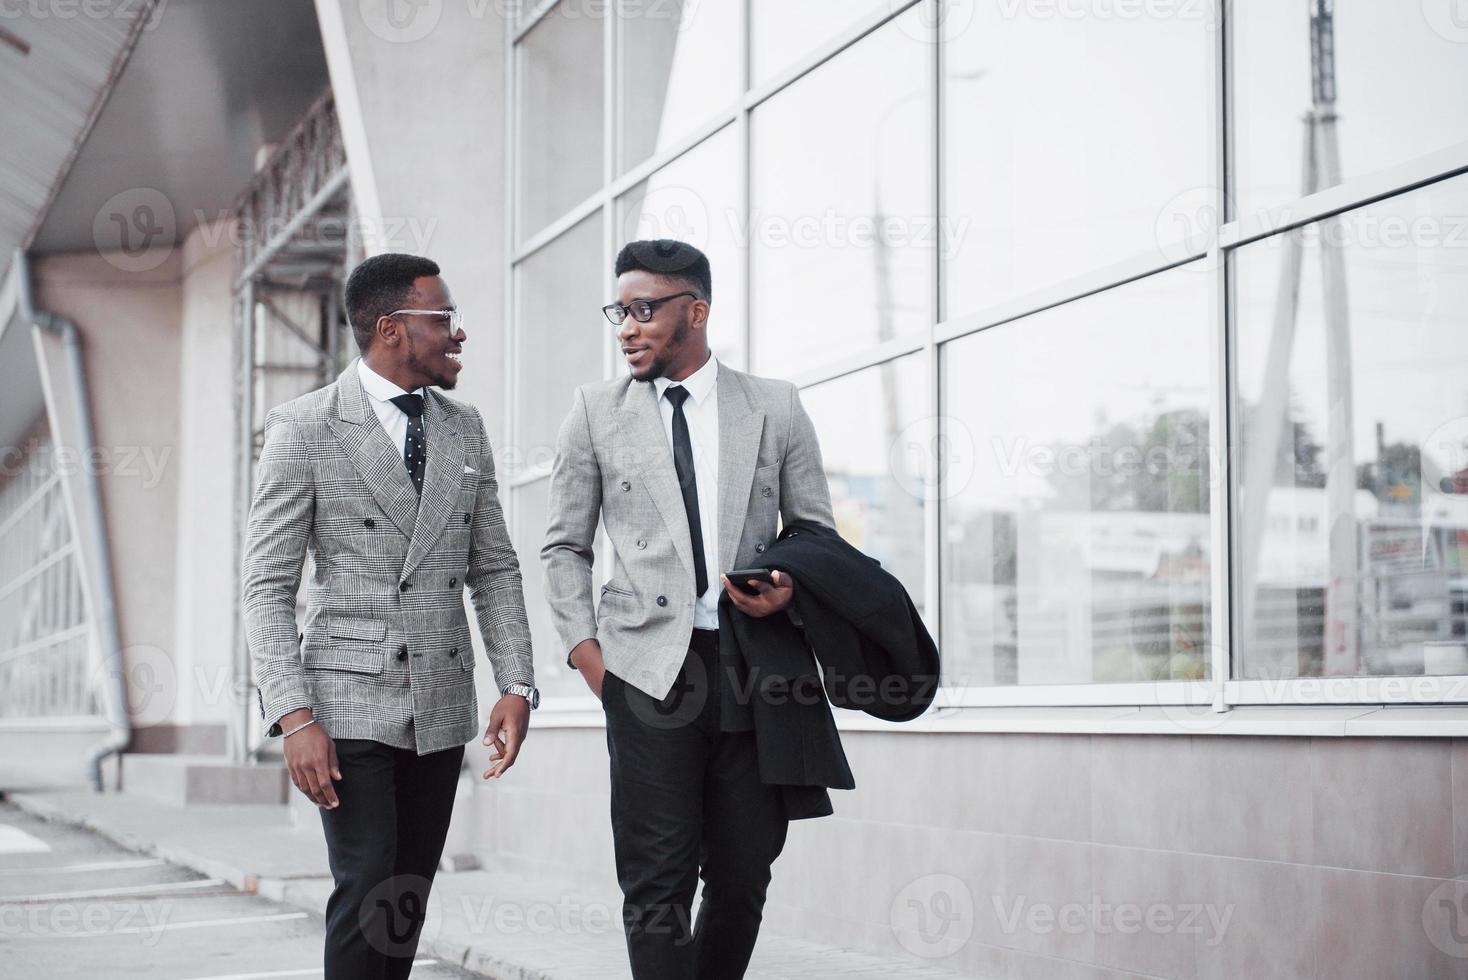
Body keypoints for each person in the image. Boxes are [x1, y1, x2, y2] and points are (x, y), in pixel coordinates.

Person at [542, 239, 835, 979]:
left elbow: (816, 536)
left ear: (695, 311)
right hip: (643, 673)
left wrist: (790, 589)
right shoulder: (594, 412)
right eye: (620, 312)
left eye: (644, 310)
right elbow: (563, 548)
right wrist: (588, 656)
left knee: (742, 874)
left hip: (752, 669)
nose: (627, 328)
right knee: (655, 880)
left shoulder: (775, 406)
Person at [242, 252, 540, 980]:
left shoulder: (463, 428)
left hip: (437, 698)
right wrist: (293, 717)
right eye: (443, 320)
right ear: (391, 330)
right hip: (343, 706)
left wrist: (518, 682)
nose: (458, 336)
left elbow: (494, 565)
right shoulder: (305, 428)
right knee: (367, 882)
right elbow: (266, 586)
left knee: (406, 897)